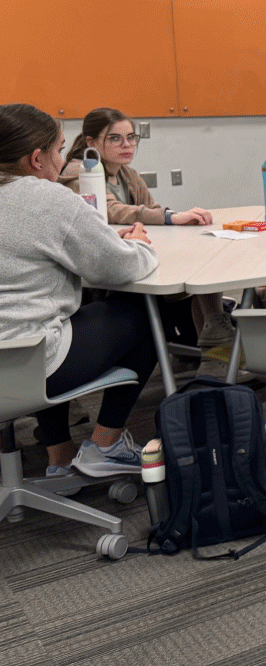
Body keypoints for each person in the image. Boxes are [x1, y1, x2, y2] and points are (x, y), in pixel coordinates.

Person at [0, 103, 160, 478]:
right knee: (144, 316)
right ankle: (106, 446)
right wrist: (140, 245)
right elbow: (119, 266)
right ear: (36, 159)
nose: (64, 159)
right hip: (30, 363)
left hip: (13, 354)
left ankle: (59, 458)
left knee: (48, 325)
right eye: (58, 150)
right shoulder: (46, 197)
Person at [59, 108, 233, 347]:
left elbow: (151, 209)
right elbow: (115, 210)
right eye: (115, 138)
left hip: (136, 257)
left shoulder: (127, 173)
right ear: (91, 142)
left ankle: (214, 337)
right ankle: (214, 338)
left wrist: (167, 217)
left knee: (200, 264)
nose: (127, 145)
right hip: (105, 274)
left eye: (131, 137)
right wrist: (171, 217)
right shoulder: (79, 172)